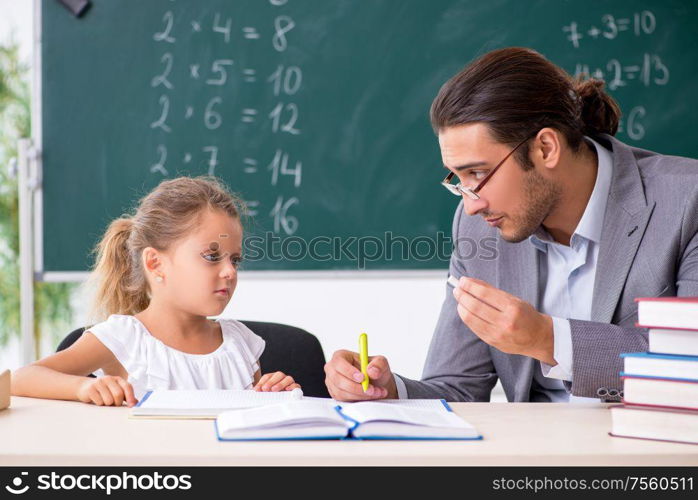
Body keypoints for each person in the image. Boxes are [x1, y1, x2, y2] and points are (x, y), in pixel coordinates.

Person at [324, 47, 698, 403]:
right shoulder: (478, 229)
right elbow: (457, 388)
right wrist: (390, 392)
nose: (471, 205)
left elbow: (690, 369)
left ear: (546, 148)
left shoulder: (686, 202)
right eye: (458, 178)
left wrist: (548, 339)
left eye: (478, 173)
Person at [12, 176, 300, 406]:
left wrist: (276, 398)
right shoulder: (124, 337)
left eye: (234, 259)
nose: (230, 271)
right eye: (212, 257)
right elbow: (20, 379)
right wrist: (85, 386)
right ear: (155, 263)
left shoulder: (241, 343)